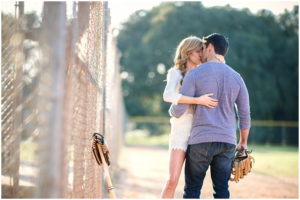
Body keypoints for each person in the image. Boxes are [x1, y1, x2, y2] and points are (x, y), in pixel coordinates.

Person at [169, 33, 251, 198]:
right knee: (221, 190)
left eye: (203, 48)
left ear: (210, 47)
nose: (201, 53)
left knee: (192, 190)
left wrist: (172, 108)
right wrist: (243, 142)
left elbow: (178, 112)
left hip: (201, 140)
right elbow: (244, 114)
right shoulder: (237, 77)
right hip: (227, 141)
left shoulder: (195, 74)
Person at [161, 36, 219, 198]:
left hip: (199, 134)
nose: (201, 54)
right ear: (187, 52)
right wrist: (196, 100)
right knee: (172, 180)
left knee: (193, 186)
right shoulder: (176, 73)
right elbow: (168, 95)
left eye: (203, 50)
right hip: (180, 132)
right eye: (198, 50)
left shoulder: (203, 74)